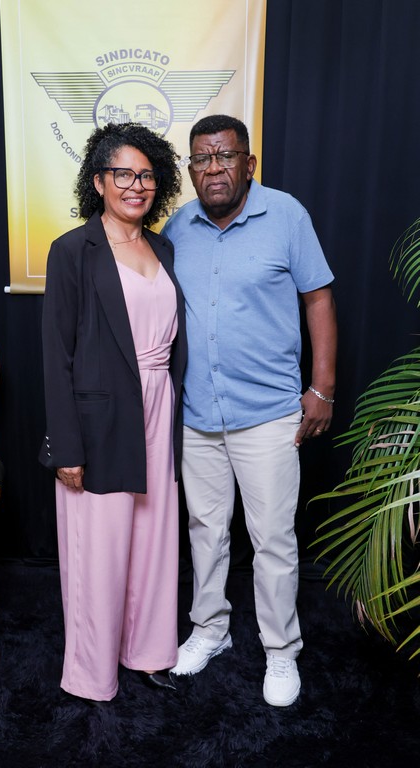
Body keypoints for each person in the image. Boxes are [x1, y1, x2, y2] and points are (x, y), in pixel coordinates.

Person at [162, 114, 337, 707]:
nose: (213, 168)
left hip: (267, 414)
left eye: (225, 156)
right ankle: (210, 629)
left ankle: (281, 650)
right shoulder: (177, 226)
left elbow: (318, 299)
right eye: (202, 159)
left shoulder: (287, 215)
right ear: (191, 169)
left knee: (273, 540)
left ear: (248, 164)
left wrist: (322, 388)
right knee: (205, 531)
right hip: (197, 414)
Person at [39, 122, 186, 702]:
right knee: (98, 552)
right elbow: (57, 355)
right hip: (99, 420)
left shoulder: (164, 247)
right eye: (123, 173)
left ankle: (147, 652)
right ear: (98, 182)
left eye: (146, 175)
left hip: (159, 406)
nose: (136, 185)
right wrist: (66, 446)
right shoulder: (73, 250)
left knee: (154, 539)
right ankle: (92, 673)